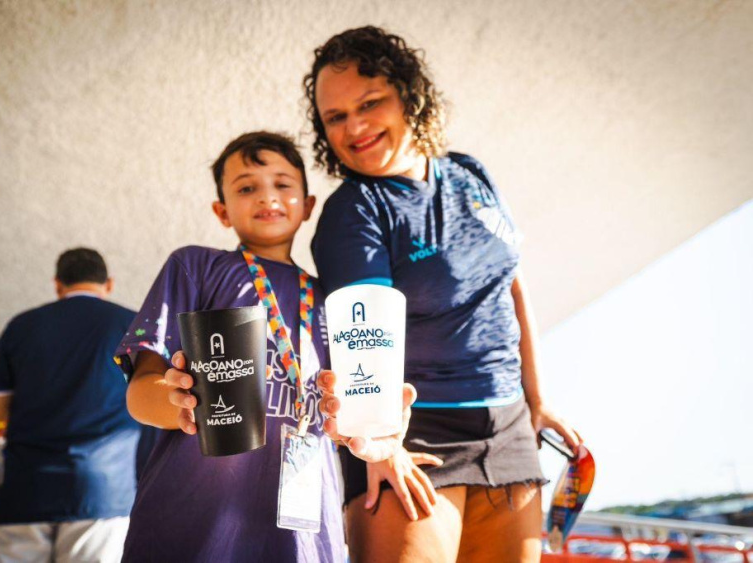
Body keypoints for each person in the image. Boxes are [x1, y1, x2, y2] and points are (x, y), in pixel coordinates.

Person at [307, 26, 582, 562]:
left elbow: (512, 288)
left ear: (409, 96)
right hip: (415, 435)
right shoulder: (355, 211)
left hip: (508, 427)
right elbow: (362, 341)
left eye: (370, 102)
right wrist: (380, 448)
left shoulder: (469, 172)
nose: (354, 126)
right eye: (335, 117)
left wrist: (538, 401)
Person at [114, 131, 417, 563]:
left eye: (282, 184)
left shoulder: (334, 301)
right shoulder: (195, 267)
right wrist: (179, 403)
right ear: (222, 211)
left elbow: (349, 419)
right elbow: (140, 389)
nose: (267, 197)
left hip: (305, 533)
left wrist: (376, 435)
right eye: (247, 187)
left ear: (308, 205)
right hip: (191, 525)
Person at [0, 248, 140, 563]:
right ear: (109, 284)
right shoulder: (131, 326)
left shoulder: (22, 326)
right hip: (103, 493)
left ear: (57, 284)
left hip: (26, 489)